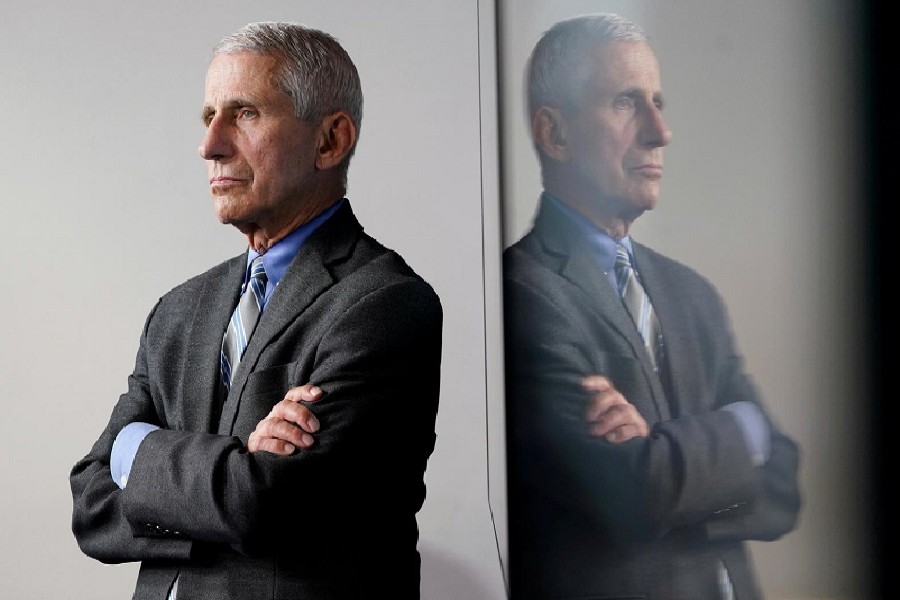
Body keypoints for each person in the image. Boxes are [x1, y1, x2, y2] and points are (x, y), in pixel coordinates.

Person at [70, 22, 442, 600]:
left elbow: (262, 501)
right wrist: (236, 463)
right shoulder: (177, 311)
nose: (210, 144)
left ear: (330, 141)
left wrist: (136, 452)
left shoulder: (385, 304)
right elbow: (91, 501)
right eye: (208, 116)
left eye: (243, 114)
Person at [502, 13, 801, 600]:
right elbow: (631, 493)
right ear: (554, 133)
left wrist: (663, 462)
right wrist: (743, 433)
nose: (660, 131)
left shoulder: (693, 295)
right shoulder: (521, 295)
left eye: (658, 102)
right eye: (625, 102)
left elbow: (785, 485)